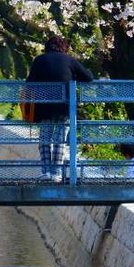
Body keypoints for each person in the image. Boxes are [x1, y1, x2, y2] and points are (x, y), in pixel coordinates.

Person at [25, 34, 95, 182]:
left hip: (43, 107)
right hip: (65, 107)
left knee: (45, 138)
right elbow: (88, 77)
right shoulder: (69, 60)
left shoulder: (39, 60)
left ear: (47, 47)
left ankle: (45, 172)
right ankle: (56, 173)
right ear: (64, 48)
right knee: (59, 139)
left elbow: (29, 83)